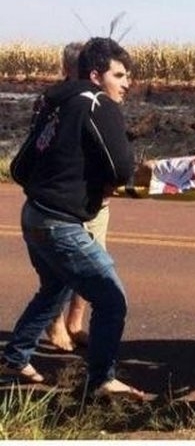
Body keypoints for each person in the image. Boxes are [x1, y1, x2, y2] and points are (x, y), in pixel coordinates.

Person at [0, 37, 145, 400]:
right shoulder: (98, 103)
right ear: (96, 75)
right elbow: (122, 166)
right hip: (61, 223)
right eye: (120, 75)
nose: (126, 83)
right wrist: (98, 184)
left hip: (33, 214)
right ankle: (102, 380)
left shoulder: (54, 102)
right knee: (112, 299)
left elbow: (19, 167)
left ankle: (16, 357)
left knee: (55, 287)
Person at [44, 42, 111, 353]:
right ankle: (54, 325)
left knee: (90, 264)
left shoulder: (99, 101)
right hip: (64, 200)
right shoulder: (54, 101)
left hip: (96, 200)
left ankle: (75, 322)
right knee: (61, 268)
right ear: (70, 70)